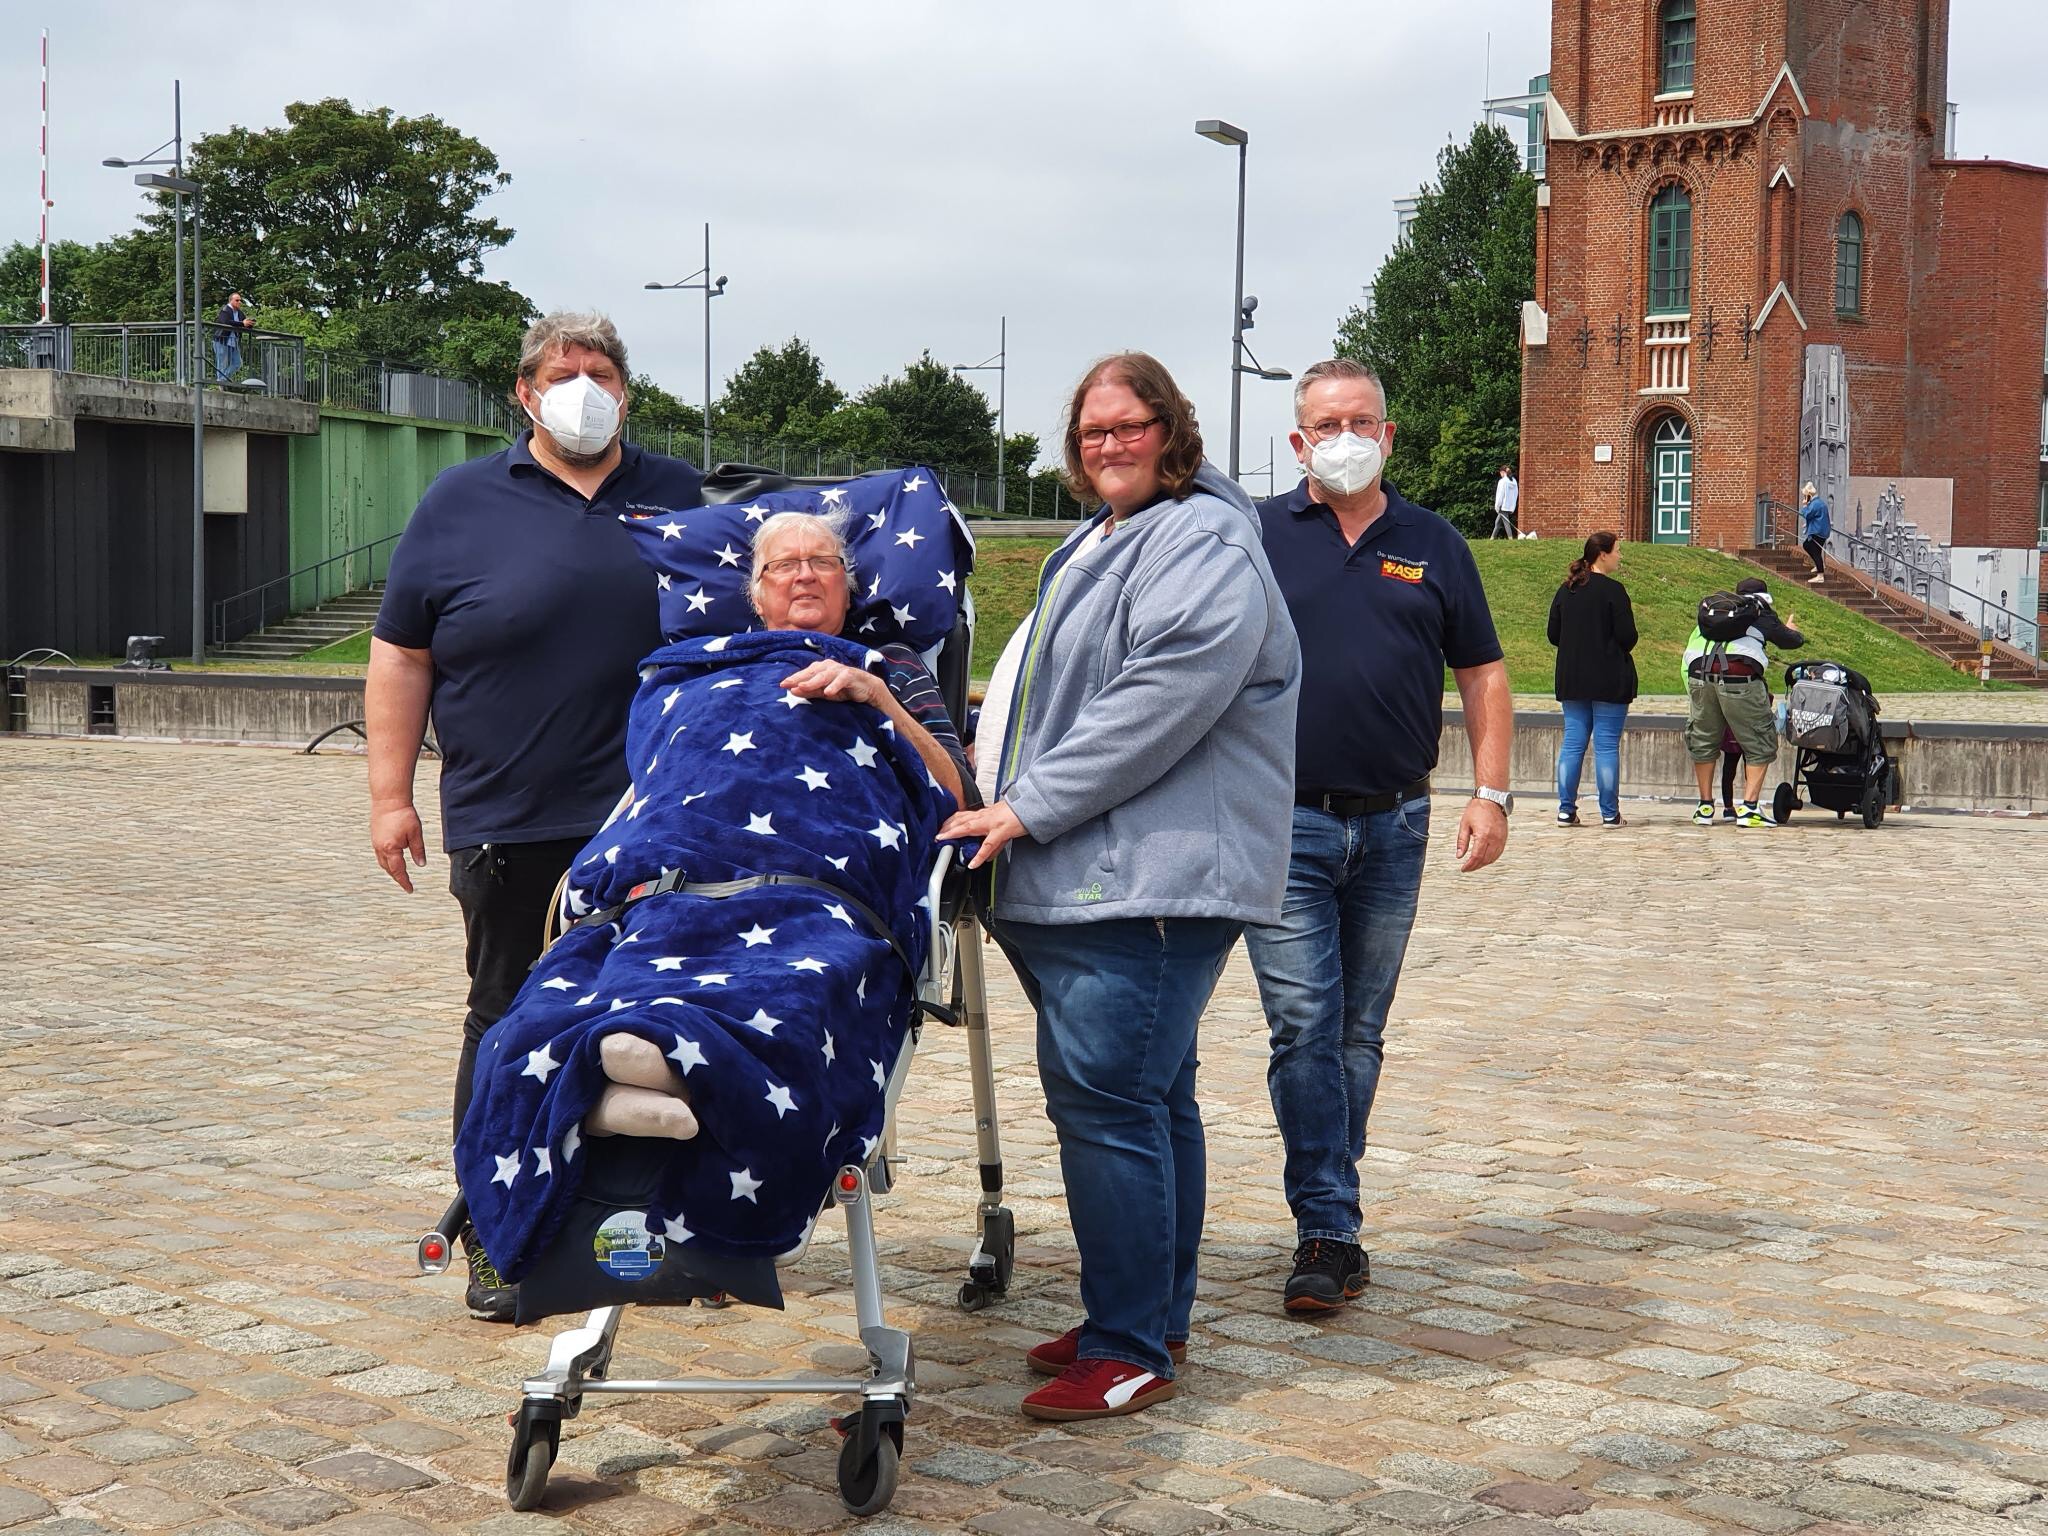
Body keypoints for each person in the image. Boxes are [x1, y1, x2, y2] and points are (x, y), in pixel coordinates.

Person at [939, 352, 1298, 1421]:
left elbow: (1153, 702)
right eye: (1091, 431)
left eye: (1128, 426)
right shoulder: (1104, 537)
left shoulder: (1200, 541)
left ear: (1170, 429)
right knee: (1147, 1101)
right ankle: (1142, 1312)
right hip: (1104, 874)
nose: (1108, 445)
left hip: (1144, 883)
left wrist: (1023, 807)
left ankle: (1130, 1343)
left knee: (1107, 1107)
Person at [366, 311, 704, 1322]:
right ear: (524, 393)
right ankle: (497, 1233)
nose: (584, 389)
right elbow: (401, 655)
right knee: (511, 1024)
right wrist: (388, 796)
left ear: (627, 391)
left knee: (665, 1025)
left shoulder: (675, 495)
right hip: (508, 820)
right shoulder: (460, 501)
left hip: (661, 824)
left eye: (601, 372)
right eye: (564, 373)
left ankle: (662, 1233)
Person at [1244, 357, 1513, 1315]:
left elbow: (1482, 671)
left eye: (1362, 420)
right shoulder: (1257, 536)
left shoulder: (1432, 542)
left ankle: (1329, 1200)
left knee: (1359, 1032)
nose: (1345, 435)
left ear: (1389, 436)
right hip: (1281, 825)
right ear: (1298, 440)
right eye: (1326, 423)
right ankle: (1328, 1226)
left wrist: (1492, 793)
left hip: (1397, 821)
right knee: (1305, 1025)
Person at [745, 509, 974, 806]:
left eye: (823, 562)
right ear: (757, 599)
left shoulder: (891, 664)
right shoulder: (713, 667)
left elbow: (963, 796)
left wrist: (879, 697)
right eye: (784, 565)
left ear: (847, 592)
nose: (806, 575)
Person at [1686, 575, 1804, 827]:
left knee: (1704, 739)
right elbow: (1790, 641)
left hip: (1699, 674)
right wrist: (1793, 630)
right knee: (1760, 741)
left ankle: (1704, 807)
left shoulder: (1716, 613)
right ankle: (1749, 808)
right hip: (1739, 677)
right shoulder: (1762, 612)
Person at [1547, 531, 1637, 827]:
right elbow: (1628, 637)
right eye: (1617, 551)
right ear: (1603, 554)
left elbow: (1553, 635)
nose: (1620, 556)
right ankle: (1609, 813)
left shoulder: (1567, 589)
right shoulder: (1613, 591)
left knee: (1573, 743)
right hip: (1609, 677)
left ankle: (1565, 809)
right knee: (1607, 746)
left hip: (1572, 677)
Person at [212, 292, 254, 382]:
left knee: (237, 363)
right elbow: (226, 322)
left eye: (240, 300)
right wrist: (242, 323)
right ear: (231, 301)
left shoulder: (239, 313)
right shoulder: (225, 310)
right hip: (222, 340)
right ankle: (221, 381)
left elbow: (243, 323)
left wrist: (249, 324)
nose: (239, 302)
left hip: (233, 341)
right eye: (237, 300)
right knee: (222, 363)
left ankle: (222, 379)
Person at [1798, 480, 1830, 583]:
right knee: (1816, 550)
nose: (1804, 498)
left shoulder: (1815, 504)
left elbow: (1807, 514)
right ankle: (1818, 566)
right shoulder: (1820, 503)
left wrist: (1804, 506)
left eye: (1805, 496)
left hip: (1817, 532)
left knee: (1809, 546)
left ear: (1808, 496)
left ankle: (1820, 574)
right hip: (1823, 531)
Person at [1492, 464, 1520, 538]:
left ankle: (1510, 538)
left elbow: (1500, 495)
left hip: (1503, 506)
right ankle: (1492, 538)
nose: (1500, 475)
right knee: (1497, 523)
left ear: (1503, 472)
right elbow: (1516, 494)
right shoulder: (1514, 481)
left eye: (1500, 473)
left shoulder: (1502, 481)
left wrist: (1497, 506)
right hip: (1509, 506)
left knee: (1506, 523)